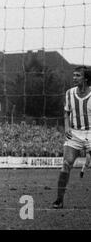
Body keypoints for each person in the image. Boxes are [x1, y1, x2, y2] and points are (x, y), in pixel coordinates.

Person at [53, 66, 91, 209]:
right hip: (74, 134)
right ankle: (59, 199)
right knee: (66, 164)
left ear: (85, 78)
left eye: (77, 75)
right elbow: (66, 113)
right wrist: (67, 127)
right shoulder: (69, 93)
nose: (74, 78)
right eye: (73, 75)